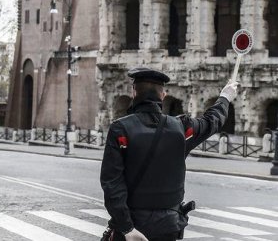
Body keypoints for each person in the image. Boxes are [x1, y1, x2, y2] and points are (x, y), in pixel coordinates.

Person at [100, 67, 238, 241]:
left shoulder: (120, 129)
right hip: (169, 225)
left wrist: (127, 228)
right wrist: (225, 96)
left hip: (132, 225)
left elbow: (111, 183)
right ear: (163, 95)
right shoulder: (181, 128)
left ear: (133, 92)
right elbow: (212, 121)